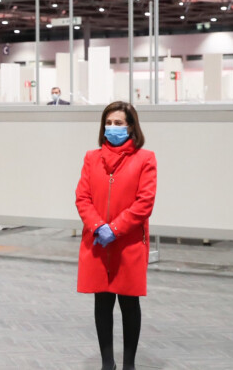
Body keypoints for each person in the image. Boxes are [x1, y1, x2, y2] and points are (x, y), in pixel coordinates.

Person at [75, 101, 157, 370]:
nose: (112, 128)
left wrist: (116, 228)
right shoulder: (91, 157)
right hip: (97, 241)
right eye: (108, 123)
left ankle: (129, 364)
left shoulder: (145, 159)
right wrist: (98, 226)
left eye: (119, 123)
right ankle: (107, 363)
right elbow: (82, 197)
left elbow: (144, 202)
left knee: (129, 303)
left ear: (131, 127)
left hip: (129, 243)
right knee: (102, 302)